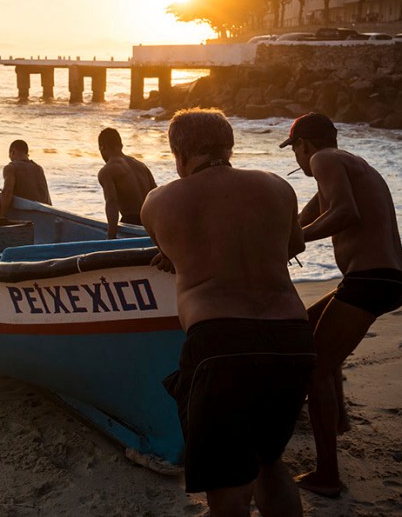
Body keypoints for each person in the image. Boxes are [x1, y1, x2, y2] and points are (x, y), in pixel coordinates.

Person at [142, 108, 314, 517]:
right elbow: (293, 246)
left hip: (220, 343)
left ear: (178, 154)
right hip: (292, 336)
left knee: (228, 491)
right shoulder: (277, 188)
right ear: (229, 146)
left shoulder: (158, 201)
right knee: (269, 461)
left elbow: (177, 251)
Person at [279, 112, 402, 498]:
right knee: (307, 327)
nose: (298, 161)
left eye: (296, 152)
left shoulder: (325, 160)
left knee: (313, 370)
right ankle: (337, 421)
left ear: (305, 145)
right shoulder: (347, 165)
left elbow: (344, 214)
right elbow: (306, 219)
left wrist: (293, 244)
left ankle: (327, 476)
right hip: (384, 279)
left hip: (371, 281)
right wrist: (282, 237)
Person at [97, 127, 157, 239]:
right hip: (151, 221)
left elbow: (111, 202)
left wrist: (111, 237)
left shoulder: (107, 171)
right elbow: (155, 195)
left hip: (131, 222)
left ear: (102, 146)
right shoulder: (141, 165)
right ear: (121, 145)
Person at [0, 139, 51, 218]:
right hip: (47, 215)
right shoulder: (38, 168)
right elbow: (30, 191)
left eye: (10, 156)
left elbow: (7, 192)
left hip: (29, 216)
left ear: (13, 152)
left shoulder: (11, 167)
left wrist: (2, 216)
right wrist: (0, 191)